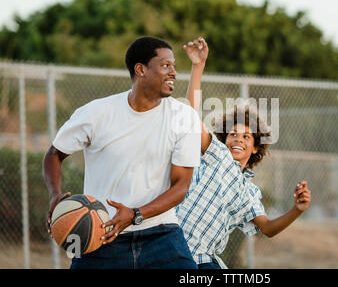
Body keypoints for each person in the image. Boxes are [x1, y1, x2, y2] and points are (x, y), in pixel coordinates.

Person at [43, 36, 201, 269]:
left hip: (162, 235)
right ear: (141, 70)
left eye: (174, 66)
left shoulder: (184, 117)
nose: (174, 73)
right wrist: (55, 195)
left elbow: (181, 187)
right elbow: (55, 154)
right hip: (101, 235)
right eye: (166, 65)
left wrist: (136, 214)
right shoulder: (97, 113)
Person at [176, 37, 312, 269]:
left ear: (256, 147)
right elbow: (191, 114)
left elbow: (267, 228)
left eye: (246, 136)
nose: (239, 139)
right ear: (224, 139)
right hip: (172, 249)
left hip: (202, 260)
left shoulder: (248, 193)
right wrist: (198, 66)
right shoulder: (214, 153)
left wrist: (296, 210)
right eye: (233, 134)